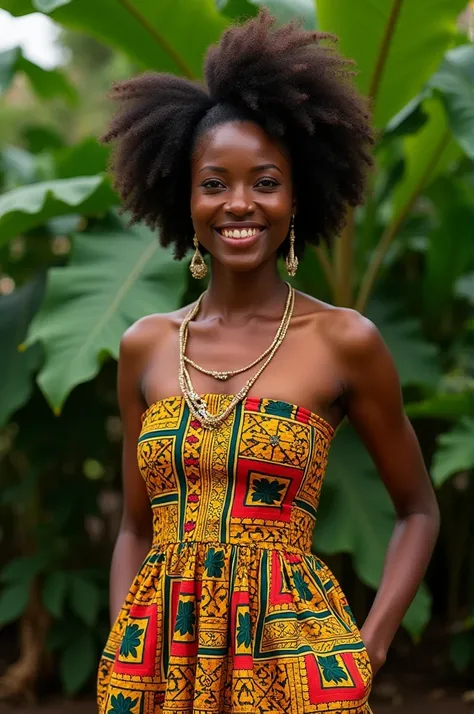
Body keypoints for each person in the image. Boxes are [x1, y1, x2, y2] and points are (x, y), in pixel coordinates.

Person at [97, 10, 440, 714]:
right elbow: (136, 526)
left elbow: (418, 511)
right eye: (214, 183)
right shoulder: (146, 345)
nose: (239, 204)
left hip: (294, 672)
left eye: (265, 181)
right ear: (184, 197)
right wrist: (124, 642)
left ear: (296, 195)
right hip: (160, 672)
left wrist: (368, 648)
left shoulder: (344, 341)